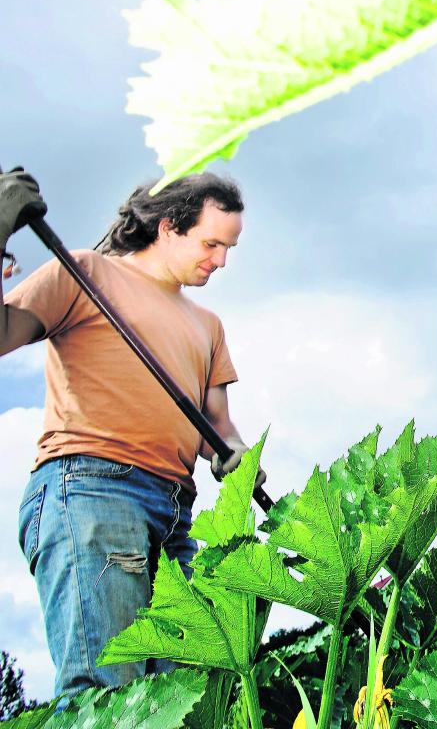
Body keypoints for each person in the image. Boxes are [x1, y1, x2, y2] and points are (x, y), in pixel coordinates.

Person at [0, 167, 254, 699]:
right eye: (211, 243)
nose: (221, 261)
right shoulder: (86, 273)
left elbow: (218, 427)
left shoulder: (208, 326)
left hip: (174, 514)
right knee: (108, 697)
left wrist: (235, 455)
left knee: (184, 699)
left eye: (228, 248)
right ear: (167, 227)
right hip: (92, 490)